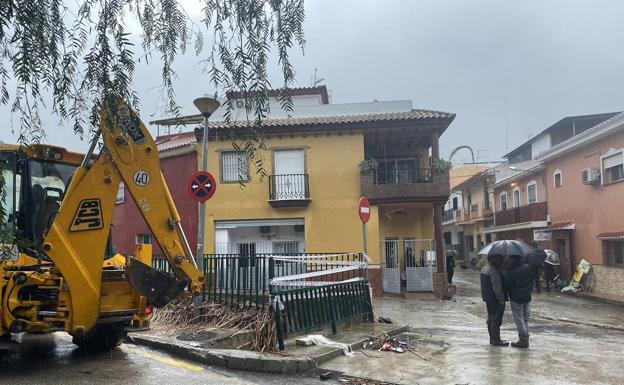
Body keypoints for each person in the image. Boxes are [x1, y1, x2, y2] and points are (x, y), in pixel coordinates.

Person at [503, 255, 532, 348]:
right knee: (525, 319)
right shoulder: (527, 267)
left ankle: (523, 340)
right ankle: (526, 338)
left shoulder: (511, 272)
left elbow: (507, 285)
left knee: (519, 319)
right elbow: (531, 280)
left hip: (516, 298)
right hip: (527, 297)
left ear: (513, 260)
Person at [480, 254, 508, 347]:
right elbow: (497, 287)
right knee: (496, 319)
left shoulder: (485, 268)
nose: (502, 259)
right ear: (496, 258)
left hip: (487, 298)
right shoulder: (493, 270)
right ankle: (496, 340)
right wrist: (501, 299)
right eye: (501, 257)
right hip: (495, 298)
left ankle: (493, 339)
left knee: (491, 318)